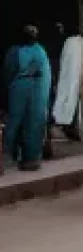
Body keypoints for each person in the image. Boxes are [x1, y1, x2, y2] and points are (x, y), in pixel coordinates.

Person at [3, 25, 52, 171]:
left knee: (19, 122)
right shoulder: (40, 51)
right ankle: (25, 158)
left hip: (22, 91)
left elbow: (8, 73)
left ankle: (14, 156)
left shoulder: (16, 51)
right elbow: (47, 76)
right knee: (29, 123)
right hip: (35, 93)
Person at [52, 24, 83, 141]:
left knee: (67, 99)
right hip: (78, 81)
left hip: (69, 81)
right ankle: (73, 129)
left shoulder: (70, 43)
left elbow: (66, 69)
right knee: (75, 103)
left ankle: (65, 125)